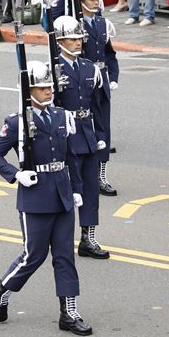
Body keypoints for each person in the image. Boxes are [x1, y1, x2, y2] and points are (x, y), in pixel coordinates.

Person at [0, 60, 92, 336]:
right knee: (34, 255)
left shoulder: (62, 116)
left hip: (62, 194)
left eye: (49, 87)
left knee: (65, 255)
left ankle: (69, 312)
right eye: (41, 87)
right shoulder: (17, 122)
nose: (48, 91)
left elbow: (71, 157)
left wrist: (77, 189)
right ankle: (3, 287)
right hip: (34, 196)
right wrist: (15, 174)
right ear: (28, 89)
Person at [53, 15, 110, 259]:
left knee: (90, 190)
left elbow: (97, 107)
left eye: (79, 38)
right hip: (66, 137)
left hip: (87, 135)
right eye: (72, 39)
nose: (78, 42)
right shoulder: (53, 68)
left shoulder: (89, 68)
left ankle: (88, 238)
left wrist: (99, 135)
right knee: (65, 191)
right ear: (60, 40)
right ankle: (59, 238)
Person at [78, 0, 118, 196]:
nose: (95, 2)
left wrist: (113, 76)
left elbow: (110, 53)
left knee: (103, 129)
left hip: (101, 81)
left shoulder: (102, 24)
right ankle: (82, 173)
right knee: (83, 129)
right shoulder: (76, 24)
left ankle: (101, 175)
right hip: (83, 81)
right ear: (81, 0)